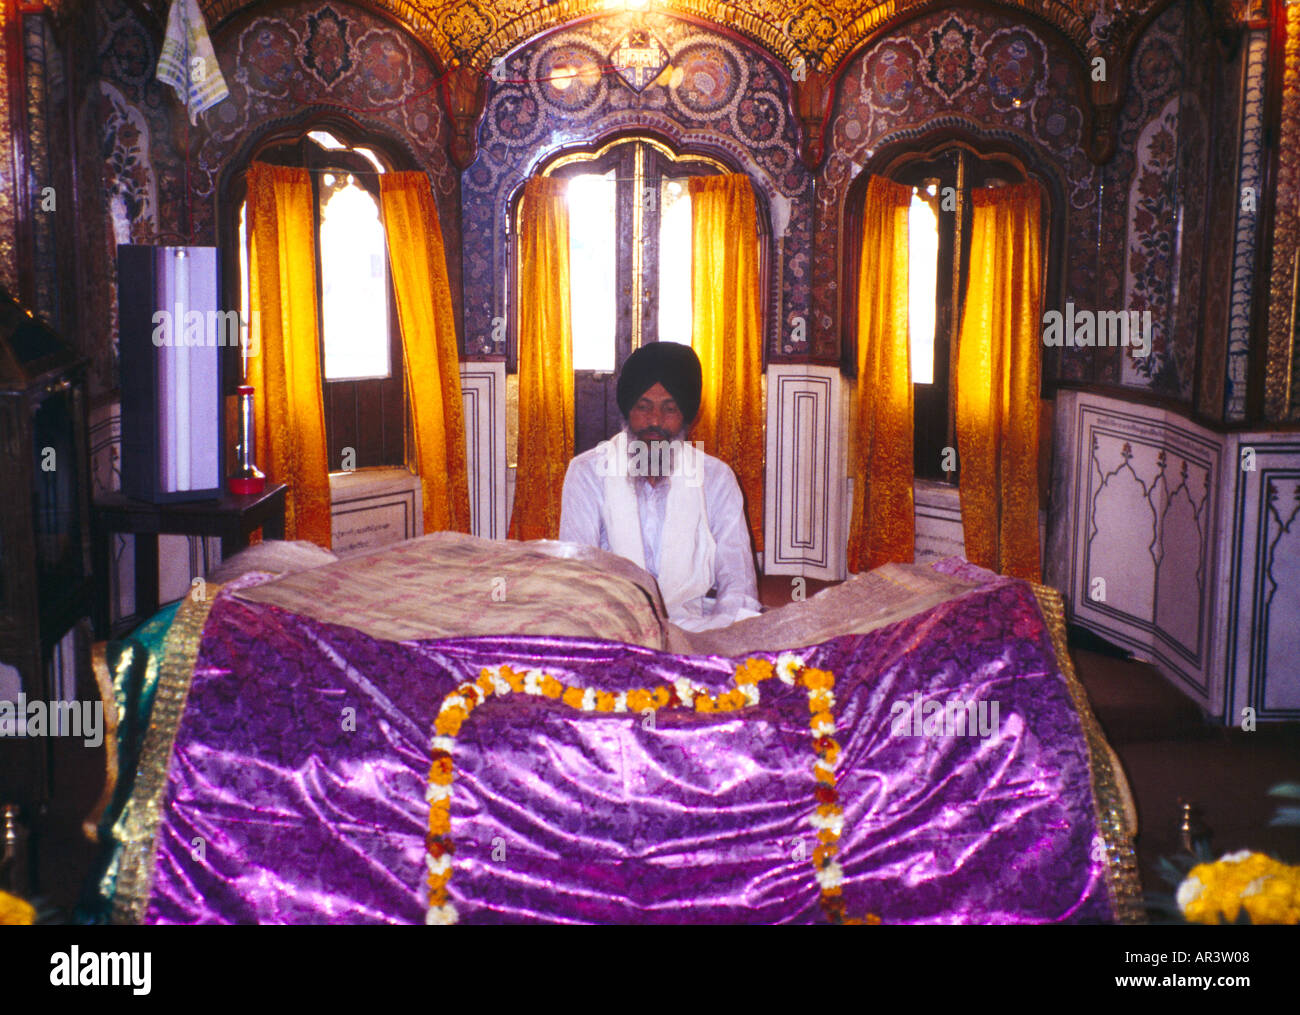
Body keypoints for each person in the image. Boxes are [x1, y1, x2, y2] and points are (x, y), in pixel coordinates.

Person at [559, 341, 762, 631]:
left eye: (669, 408)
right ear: (628, 410)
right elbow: (577, 577)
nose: (654, 421)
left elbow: (738, 583)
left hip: (692, 628)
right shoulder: (587, 472)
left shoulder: (716, 478)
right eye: (643, 407)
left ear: (686, 415)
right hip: (613, 627)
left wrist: (721, 635)